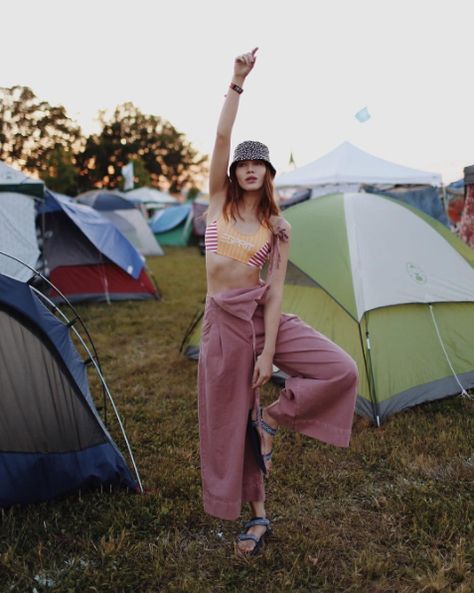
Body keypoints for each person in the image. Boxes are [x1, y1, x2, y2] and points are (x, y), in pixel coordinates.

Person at [198, 47, 359, 556]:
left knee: (341, 368)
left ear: (269, 174)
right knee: (229, 425)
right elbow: (222, 137)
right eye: (242, 163)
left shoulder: (277, 227)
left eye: (258, 164)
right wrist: (237, 81)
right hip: (223, 327)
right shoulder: (218, 204)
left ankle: (274, 419)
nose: (248, 168)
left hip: (263, 319)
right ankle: (258, 516)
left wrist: (269, 354)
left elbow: (276, 289)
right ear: (234, 171)